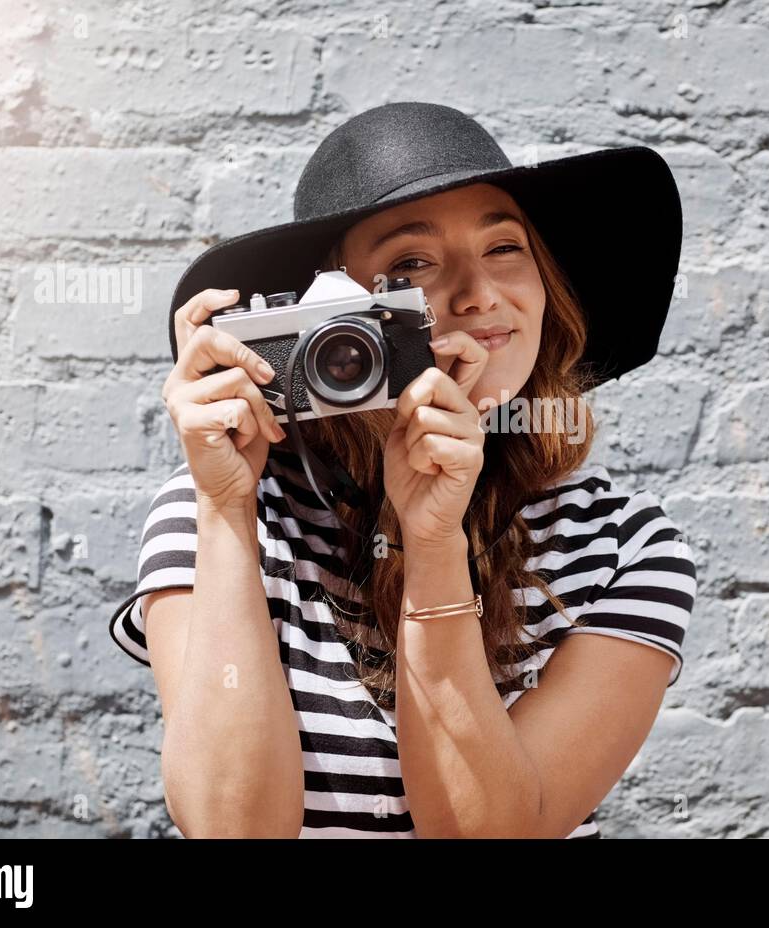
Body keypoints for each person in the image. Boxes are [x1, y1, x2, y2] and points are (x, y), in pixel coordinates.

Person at [107, 101, 696, 838]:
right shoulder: (218, 510)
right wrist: (226, 512)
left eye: (505, 246)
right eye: (412, 262)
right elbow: (233, 829)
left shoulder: (624, 547)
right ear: (327, 314)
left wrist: (434, 543)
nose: (479, 292)